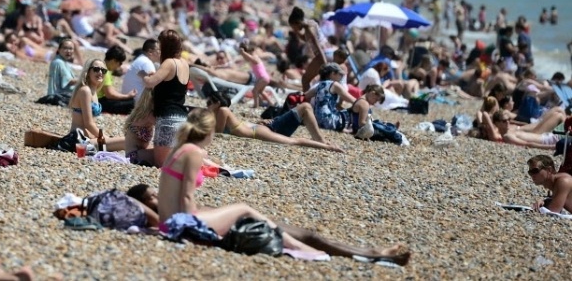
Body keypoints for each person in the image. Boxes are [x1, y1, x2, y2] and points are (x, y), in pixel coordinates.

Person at [155, 108, 410, 265]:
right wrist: (193, 232)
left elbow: (176, 195)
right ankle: (317, 249)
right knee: (246, 210)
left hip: (170, 221)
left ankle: (365, 252)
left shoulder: (179, 150)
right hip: (179, 225)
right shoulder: (193, 153)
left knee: (274, 225)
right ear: (209, 132)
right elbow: (187, 199)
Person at [206, 90, 342, 152]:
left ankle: (325, 145)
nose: (207, 104)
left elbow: (218, 133)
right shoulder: (220, 114)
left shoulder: (223, 111)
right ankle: (321, 142)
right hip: (261, 128)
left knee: (294, 142)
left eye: (209, 102)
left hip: (258, 133)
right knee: (305, 107)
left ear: (217, 103)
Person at [142, 29, 190, 165]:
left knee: (162, 164)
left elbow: (150, 83)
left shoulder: (169, 63)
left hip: (167, 119)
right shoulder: (184, 63)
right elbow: (172, 85)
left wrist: (143, 75)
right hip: (182, 118)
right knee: (178, 161)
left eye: (160, 44)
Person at [66, 58, 124, 150]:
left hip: (87, 138)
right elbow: (88, 123)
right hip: (77, 141)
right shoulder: (85, 91)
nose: (100, 72)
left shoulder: (94, 91)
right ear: (88, 72)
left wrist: (101, 137)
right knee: (125, 141)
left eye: (103, 70)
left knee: (128, 142)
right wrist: (105, 137)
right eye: (96, 69)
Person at [304, 63, 356, 131]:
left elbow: (305, 95)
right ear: (332, 74)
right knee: (353, 111)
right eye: (340, 74)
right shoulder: (334, 84)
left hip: (317, 120)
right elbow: (353, 100)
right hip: (328, 120)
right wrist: (364, 103)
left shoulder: (319, 85)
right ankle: (349, 129)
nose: (342, 77)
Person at [288, 6, 328, 91]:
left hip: (322, 54)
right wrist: (297, 32)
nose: (294, 29)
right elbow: (306, 39)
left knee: (305, 80)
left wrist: (325, 63)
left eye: (293, 26)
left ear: (297, 22)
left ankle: (307, 102)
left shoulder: (309, 28)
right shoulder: (310, 24)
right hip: (326, 52)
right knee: (319, 81)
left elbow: (317, 44)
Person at [97, 45, 136, 114]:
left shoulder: (101, 67)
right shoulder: (105, 72)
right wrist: (127, 96)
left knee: (129, 101)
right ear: (113, 61)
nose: (120, 66)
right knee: (131, 103)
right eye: (120, 63)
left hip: (97, 99)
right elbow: (110, 94)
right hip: (98, 102)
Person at [124, 88, 156, 165]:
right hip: (134, 156)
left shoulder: (141, 112)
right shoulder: (148, 116)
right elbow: (165, 125)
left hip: (134, 154)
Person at [46, 37, 78, 104]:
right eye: (65, 48)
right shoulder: (59, 62)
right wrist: (85, 78)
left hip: (58, 95)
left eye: (70, 49)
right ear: (59, 50)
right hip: (58, 96)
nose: (68, 51)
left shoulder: (63, 61)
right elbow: (70, 81)